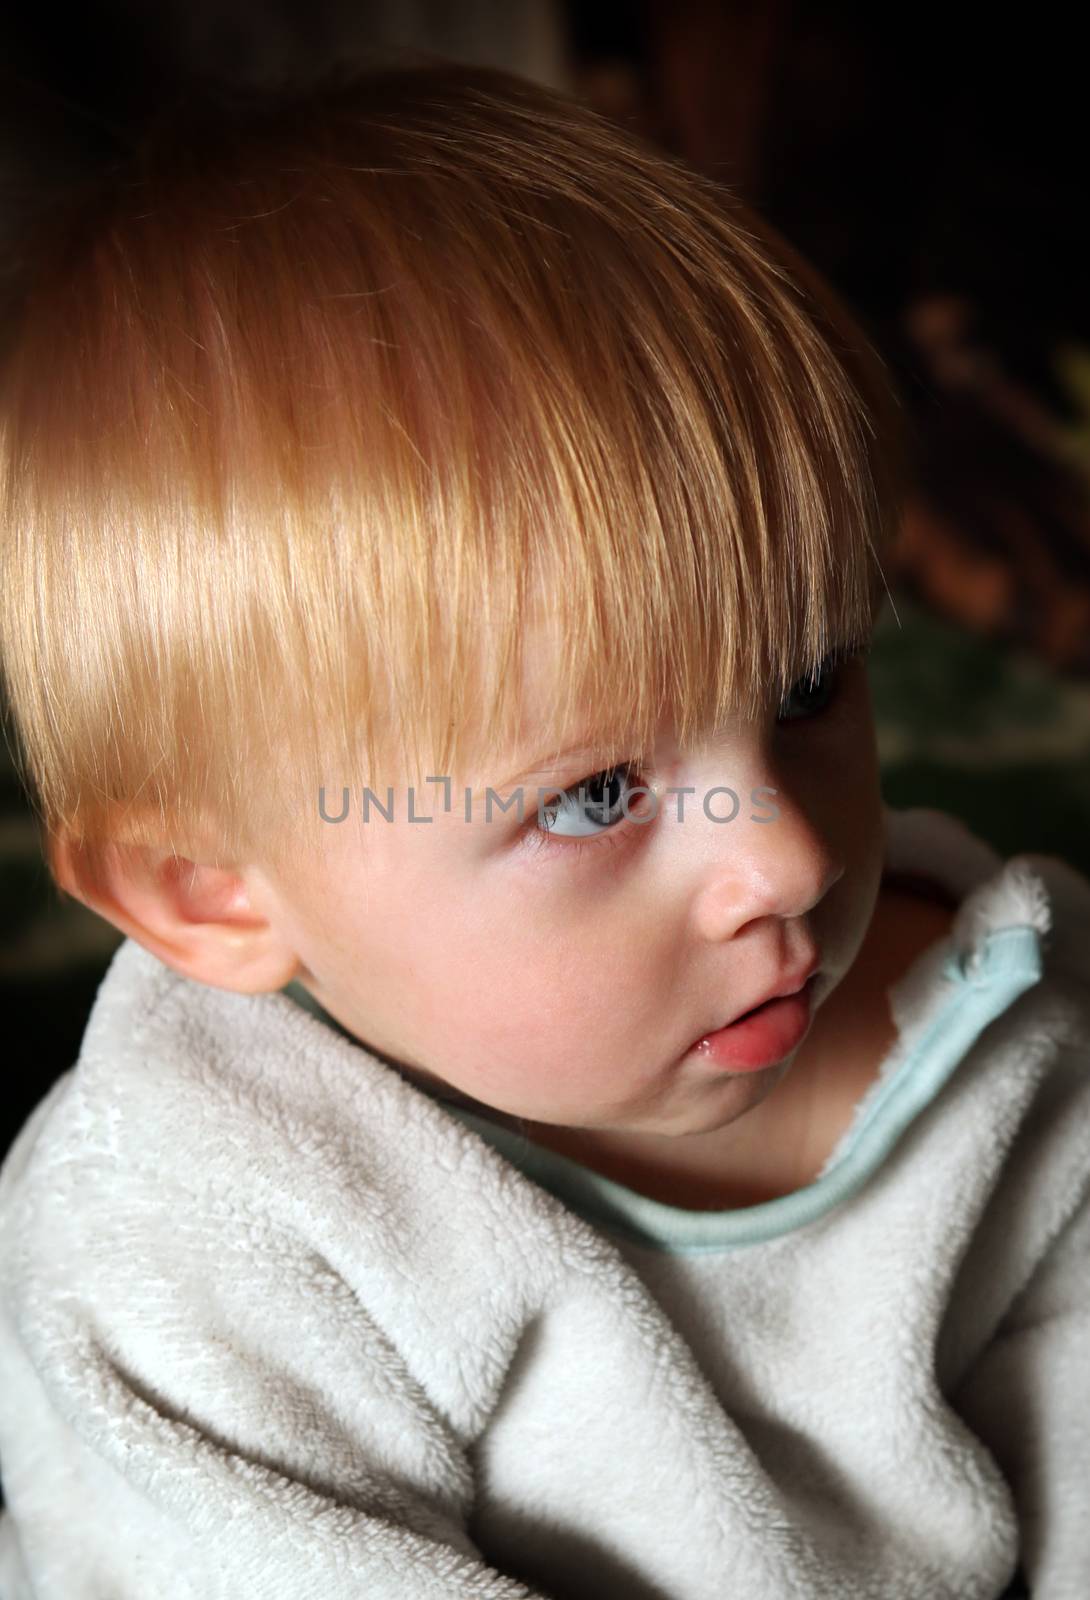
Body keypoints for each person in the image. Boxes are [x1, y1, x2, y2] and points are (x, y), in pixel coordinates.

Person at [0, 60, 1085, 1600]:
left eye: (806, 681)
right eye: (588, 796)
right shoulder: (186, 1230)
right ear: (213, 894)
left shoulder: (1018, 1038)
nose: (782, 854)